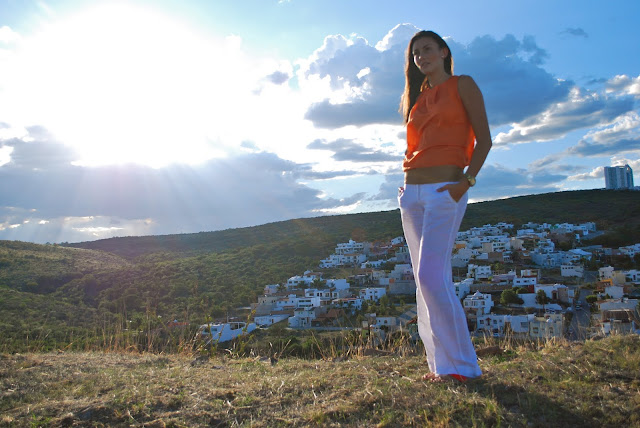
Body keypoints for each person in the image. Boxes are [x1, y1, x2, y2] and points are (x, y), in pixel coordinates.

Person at [398, 30, 492, 382]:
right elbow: (415, 147)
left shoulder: (462, 85)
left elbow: (485, 140)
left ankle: (464, 367)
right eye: (415, 53)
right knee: (425, 282)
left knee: (431, 277)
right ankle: (440, 366)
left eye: (427, 49)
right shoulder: (417, 98)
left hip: (444, 191)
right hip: (412, 193)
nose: (421, 57)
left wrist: (466, 183)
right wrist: (407, 187)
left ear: (443, 52)